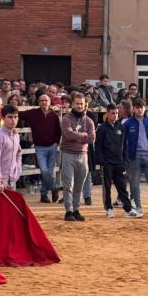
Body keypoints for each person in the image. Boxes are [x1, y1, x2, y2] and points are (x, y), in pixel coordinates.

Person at [59, 92, 95, 222]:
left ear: (85, 104)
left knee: (79, 185)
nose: (79, 106)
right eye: (77, 103)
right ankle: (68, 210)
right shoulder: (66, 119)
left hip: (83, 155)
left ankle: (76, 209)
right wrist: (82, 136)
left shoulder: (89, 121)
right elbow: (67, 135)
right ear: (72, 104)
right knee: (68, 184)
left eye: (82, 104)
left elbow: (91, 139)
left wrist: (77, 136)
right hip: (68, 154)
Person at [21, 94, 62, 203]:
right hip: (40, 148)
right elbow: (18, 114)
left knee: (48, 171)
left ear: (49, 102)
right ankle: (54, 187)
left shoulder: (54, 115)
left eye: (46, 100)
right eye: (41, 100)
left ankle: (43, 195)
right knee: (44, 171)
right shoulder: (33, 113)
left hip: (52, 147)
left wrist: (56, 143)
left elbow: (58, 131)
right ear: (38, 102)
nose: (44, 102)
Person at [94, 104, 132, 218]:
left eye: (116, 113)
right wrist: (101, 161)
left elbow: (124, 145)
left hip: (119, 162)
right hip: (107, 163)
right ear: (107, 113)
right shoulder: (101, 129)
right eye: (112, 113)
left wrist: (125, 161)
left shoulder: (121, 127)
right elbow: (98, 146)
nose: (115, 115)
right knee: (107, 187)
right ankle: (109, 208)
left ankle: (128, 209)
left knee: (122, 187)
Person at [0, 105, 22, 191]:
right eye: (10, 117)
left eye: (15, 117)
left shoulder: (16, 135)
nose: (13, 120)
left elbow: (18, 153)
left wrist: (17, 171)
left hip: (12, 179)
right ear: (2, 117)